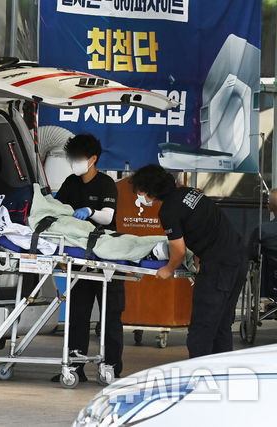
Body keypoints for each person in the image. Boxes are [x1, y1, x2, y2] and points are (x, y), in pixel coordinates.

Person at [130, 164, 247, 358]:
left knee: (201, 330)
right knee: (221, 325)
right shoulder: (190, 193)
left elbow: (179, 250)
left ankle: (199, 377)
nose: (139, 197)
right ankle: (222, 375)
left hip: (218, 267)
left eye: (140, 193)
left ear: (150, 191)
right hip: (237, 257)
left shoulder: (168, 211)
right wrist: (200, 256)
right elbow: (205, 224)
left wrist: (168, 269)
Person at [52, 134, 124, 382]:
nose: (74, 162)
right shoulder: (71, 183)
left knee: (110, 316)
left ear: (93, 159)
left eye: (78, 158)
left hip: (106, 256)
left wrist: (90, 211)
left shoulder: (106, 183)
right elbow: (58, 210)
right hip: (80, 257)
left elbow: (107, 216)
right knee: (77, 315)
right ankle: (74, 366)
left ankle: (112, 366)